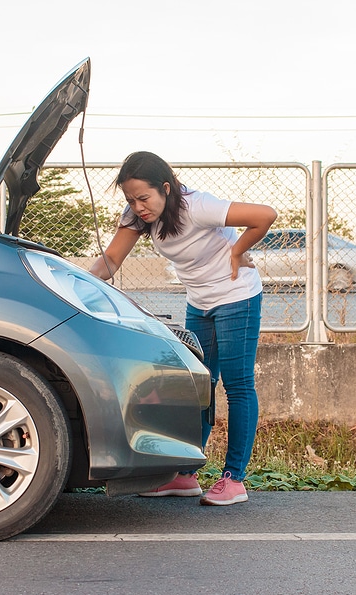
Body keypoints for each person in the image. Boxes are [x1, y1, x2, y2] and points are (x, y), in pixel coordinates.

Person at [89, 151, 277, 506]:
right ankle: (186, 476)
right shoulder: (138, 217)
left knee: (237, 385)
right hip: (200, 303)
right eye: (131, 199)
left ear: (166, 187)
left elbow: (264, 216)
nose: (138, 206)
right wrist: (80, 280)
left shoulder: (196, 205)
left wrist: (237, 251)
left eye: (144, 198)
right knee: (197, 387)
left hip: (237, 296)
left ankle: (234, 479)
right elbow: (112, 259)